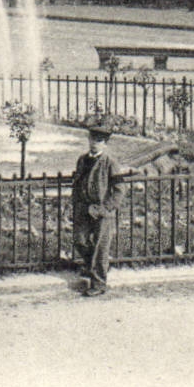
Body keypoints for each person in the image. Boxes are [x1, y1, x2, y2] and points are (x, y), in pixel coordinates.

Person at [71, 122, 125, 297]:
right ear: (89, 140)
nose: (95, 143)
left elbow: (119, 190)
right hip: (84, 209)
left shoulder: (110, 163)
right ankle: (91, 267)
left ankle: (99, 283)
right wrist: (75, 204)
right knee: (80, 240)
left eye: (99, 141)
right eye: (93, 139)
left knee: (100, 248)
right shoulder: (82, 160)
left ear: (105, 144)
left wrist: (106, 207)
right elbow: (77, 183)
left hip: (102, 211)